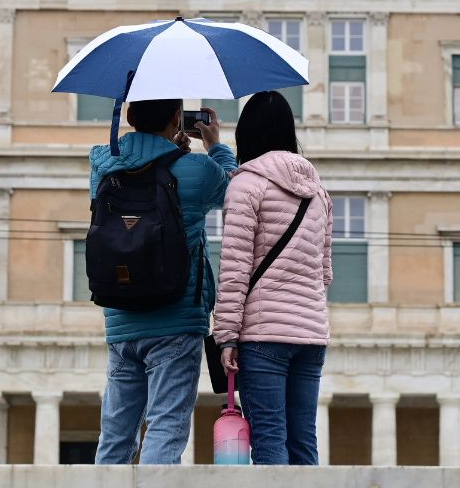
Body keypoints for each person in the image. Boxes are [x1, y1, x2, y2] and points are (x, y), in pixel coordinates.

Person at [90, 99, 236, 465]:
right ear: (178, 119)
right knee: (165, 426)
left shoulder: (103, 164)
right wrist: (215, 146)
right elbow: (234, 190)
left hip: (121, 319)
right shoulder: (197, 169)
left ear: (129, 118)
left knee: (116, 435)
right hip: (177, 317)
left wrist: (168, 152)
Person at [212, 90, 334, 465]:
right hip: (311, 335)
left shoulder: (246, 186)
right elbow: (324, 272)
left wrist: (226, 335)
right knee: (303, 442)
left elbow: (235, 270)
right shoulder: (319, 194)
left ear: (246, 134)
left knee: (269, 442)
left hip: (263, 335)